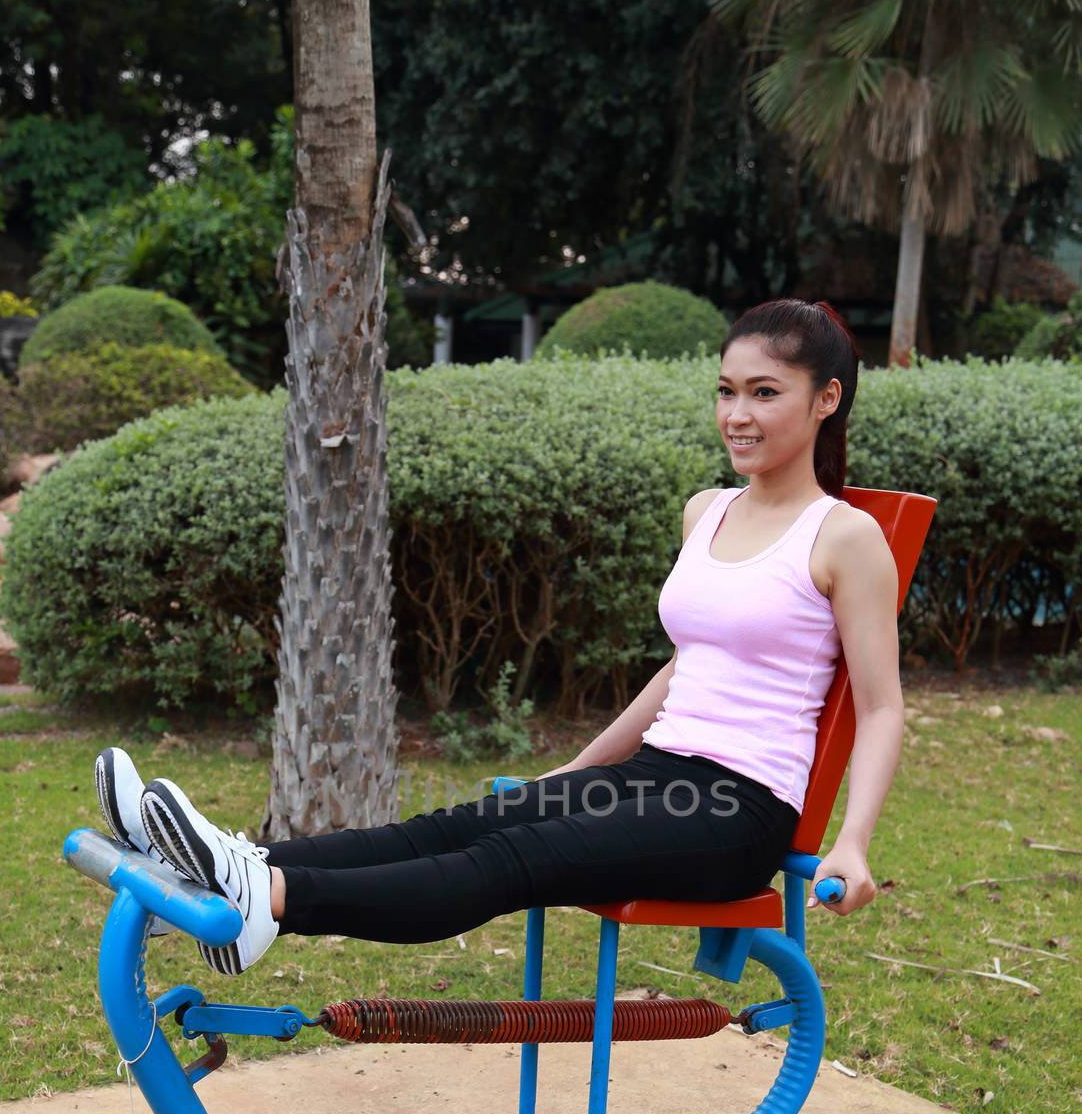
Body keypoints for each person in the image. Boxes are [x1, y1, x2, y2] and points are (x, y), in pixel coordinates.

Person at [94, 297, 904, 976]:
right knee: (460, 825)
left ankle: (260, 901)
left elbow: (879, 709)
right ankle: (239, 869)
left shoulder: (844, 539)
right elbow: (686, 667)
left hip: (733, 810)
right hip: (656, 775)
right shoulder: (709, 510)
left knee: (517, 860)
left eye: (765, 393)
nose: (737, 415)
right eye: (727, 391)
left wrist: (855, 844)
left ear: (826, 399)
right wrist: (583, 768)